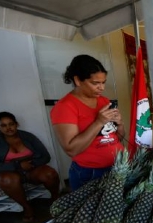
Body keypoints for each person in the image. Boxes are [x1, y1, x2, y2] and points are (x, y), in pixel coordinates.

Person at [50, 54, 124, 191]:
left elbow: (117, 138)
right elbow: (71, 149)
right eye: (95, 83)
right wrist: (98, 122)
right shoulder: (65, 107)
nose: (101, 88)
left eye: (103, 82)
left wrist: (119, 124)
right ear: (78, 80)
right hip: (91, 173)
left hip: (117, 167)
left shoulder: (104, 101)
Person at [0, 112, 60, 221]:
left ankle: (55, 199)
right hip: (3, 171)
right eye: (3, 125)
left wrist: (32, 164)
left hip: (29, 168)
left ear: (16, 124)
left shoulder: (28, 136)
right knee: (9, 179)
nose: (8, 128)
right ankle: (27, 207)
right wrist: (18, 165)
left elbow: (45, 157)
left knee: (49, 173)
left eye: (11, 124)